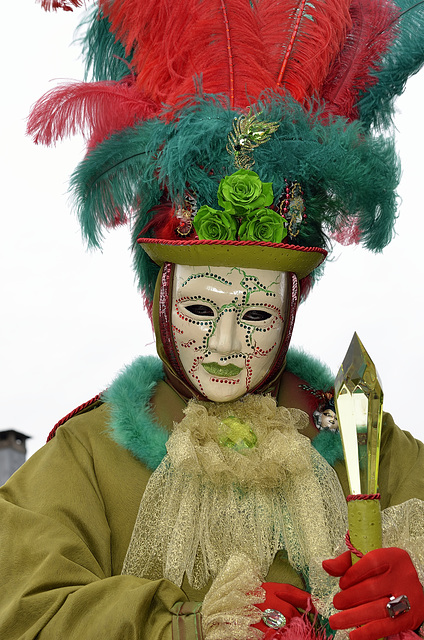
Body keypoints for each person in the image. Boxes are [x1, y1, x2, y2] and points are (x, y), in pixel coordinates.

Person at [1, 0, 424, 638]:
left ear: (292, 307)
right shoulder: (83, 461)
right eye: (202, 306)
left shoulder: (372, 447)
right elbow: (25, 610)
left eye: (255, 313)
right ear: (158, 301)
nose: (226, 342)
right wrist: (187, 626)